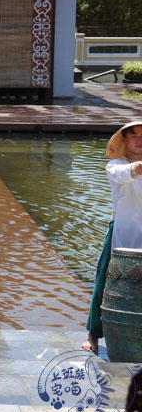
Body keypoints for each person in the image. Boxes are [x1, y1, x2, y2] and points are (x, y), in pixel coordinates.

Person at [82, 121, 142, 354]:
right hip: (121, 231)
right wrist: (137, 167)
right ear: (125, 140)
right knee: (104, 282)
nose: (139, 140)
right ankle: (93, 334)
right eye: (134, 136)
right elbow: (132, 171)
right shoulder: (115, 166)